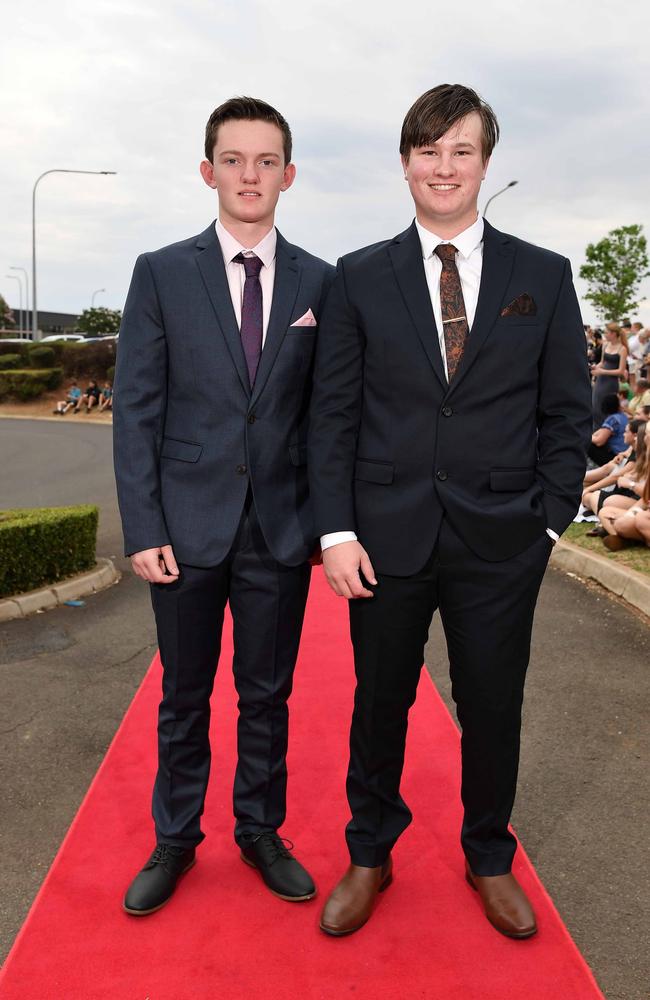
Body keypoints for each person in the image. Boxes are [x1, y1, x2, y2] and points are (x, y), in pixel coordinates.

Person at [309, 83, 592, 940]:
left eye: (460, 150)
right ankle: (370, 852)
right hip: (384, 539)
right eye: (428, 150)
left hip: (503, 540)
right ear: (405, 163)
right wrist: (337, 531)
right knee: (378, 703)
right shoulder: (358, 276)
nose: (443, 166)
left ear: (484, 163)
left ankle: (489, 855)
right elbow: (333, 415)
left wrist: (546, 523)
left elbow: (567, 414)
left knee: (493, 705)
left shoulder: (542, 275)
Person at [113, 97, 334, 917]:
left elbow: (326, 414)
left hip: (280, 530)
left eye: (266, 160)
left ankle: (259, 830)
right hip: (184, 528)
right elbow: (136, 410)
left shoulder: (322, 281)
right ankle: (175, 840)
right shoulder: (162, 272)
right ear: (208, 171)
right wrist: (144, 527)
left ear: (288, 174)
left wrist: (325, 520)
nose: (250, 175)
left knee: (267, 693)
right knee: (183, 693)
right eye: (234, 160)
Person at [590, 322, 628, 428]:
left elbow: (621, 371)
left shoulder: (622, 349)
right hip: (601, 380)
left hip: (611, 383)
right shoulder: (605, 345)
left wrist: (602, 371)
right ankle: (596, 430)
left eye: (607, 332)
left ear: (614, 334)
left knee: (606, 407)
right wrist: (596, 367)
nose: (605, 334)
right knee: (595, 405)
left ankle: (606, 430)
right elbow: (603, 362)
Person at [588, 393, 628, 466]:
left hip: (617, 456)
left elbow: (599, 441)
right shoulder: (623, 416)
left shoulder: (613, 419)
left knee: (588, 443)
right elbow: (599, 432)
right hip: (624, 453)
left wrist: (586, 436)